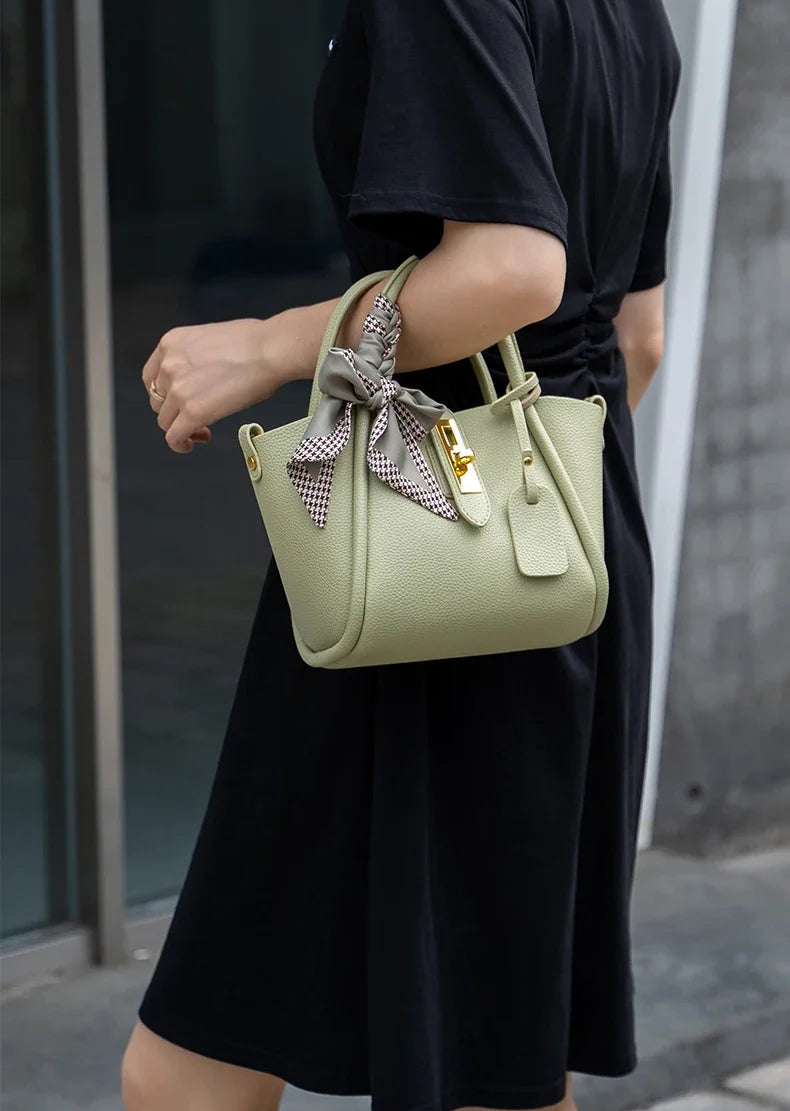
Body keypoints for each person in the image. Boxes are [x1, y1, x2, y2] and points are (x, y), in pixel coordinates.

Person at [122, 1, 680, 1109]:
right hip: (560, 536)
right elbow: (637, 334)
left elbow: (512, 269)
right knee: (501, 1053)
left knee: (190, 1063)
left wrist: (270, 343)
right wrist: (527, 501)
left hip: (412, 539)